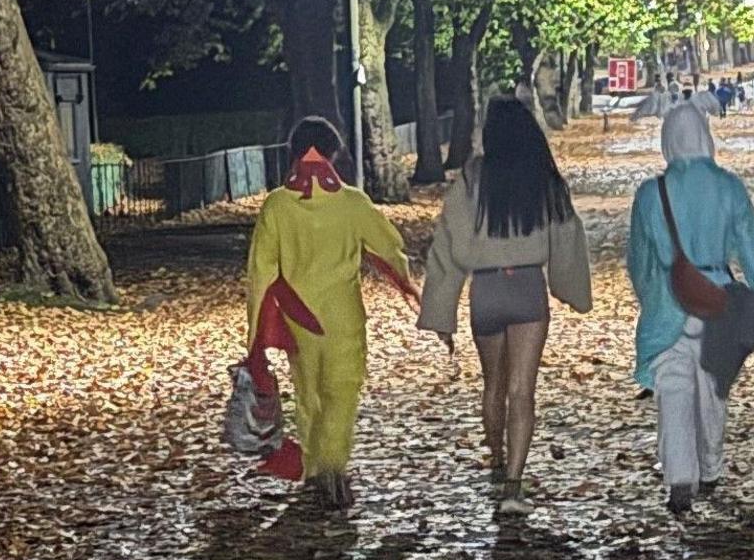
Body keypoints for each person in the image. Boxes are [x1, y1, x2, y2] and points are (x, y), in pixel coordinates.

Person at [419, 97, 591, 515]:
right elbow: (568, 236)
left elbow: (448, 243)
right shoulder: (544, 179)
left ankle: (495, 458)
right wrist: (572, 290)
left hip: (487, 291)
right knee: (523, 390)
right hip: (528, 286)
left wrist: (442, 310)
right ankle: (514, 484)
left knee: (493, 384)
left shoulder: (473, 178)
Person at [242, 117, 415, 511]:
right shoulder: (353, 203)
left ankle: (316, 469)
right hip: (343, 316)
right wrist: (406, 281)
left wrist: (254, 334)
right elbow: (390, 248)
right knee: (342, 392)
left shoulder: (277, 205)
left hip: (298, 318)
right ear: (334, 154)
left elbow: (261, 271)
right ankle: (334, 466)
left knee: (309, 394)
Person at [627, 102, 754, 514]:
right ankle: (710, 467)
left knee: (674, 390)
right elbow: (753, 248)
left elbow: (639, 261)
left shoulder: (649, 194)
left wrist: (652, 298)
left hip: (667, 302)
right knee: (713, 390)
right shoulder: (728, 187)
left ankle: (680, 475)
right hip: (719, 304)